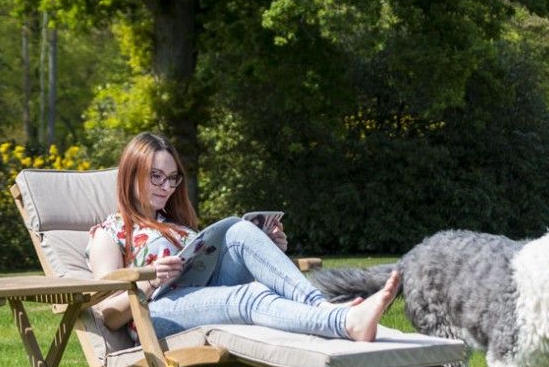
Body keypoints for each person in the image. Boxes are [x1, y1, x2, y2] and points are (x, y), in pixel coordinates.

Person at [87, 131, 400, 342]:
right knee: (249, 296)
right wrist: (151, 280)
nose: (166, 187)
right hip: (155, 314)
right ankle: (344, 322)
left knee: (239, 229)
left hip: (203, 295)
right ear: (132, 175)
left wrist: (268, 248)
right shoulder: (111, 232)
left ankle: (323, 307)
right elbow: (105, 314)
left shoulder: (177, 224)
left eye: (172, 178)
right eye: (155, 176)